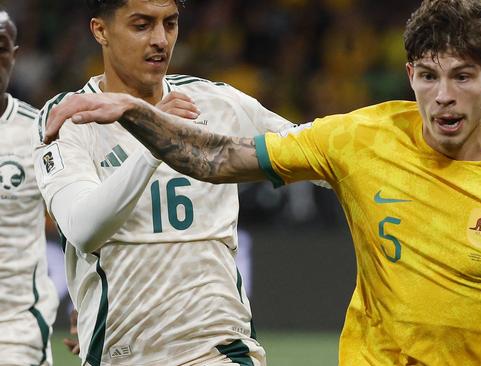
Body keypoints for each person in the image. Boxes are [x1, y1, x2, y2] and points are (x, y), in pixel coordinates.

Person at [42, 0, 481, 365]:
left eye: (461, 76)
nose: (443, 95)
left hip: (217, 346)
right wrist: (139, 118)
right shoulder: (69, 119)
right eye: (428, 76)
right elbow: (95, 223)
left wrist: (136, 117)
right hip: (117, 346)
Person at [33, 0, 296, 365]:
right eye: (141, 25)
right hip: (122, 353)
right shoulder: (71, 116)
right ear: (101, 30)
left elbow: (308, 148)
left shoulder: (215, 103)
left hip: (221, 351)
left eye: (170, 24)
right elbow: (82, 227)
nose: (160, 40)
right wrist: (157, 139)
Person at [0, 8, 59, 366]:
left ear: (14, 55)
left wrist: (89, 301)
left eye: (0, 48)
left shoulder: (40, 132)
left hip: (15, 329)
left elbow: (78, 224)